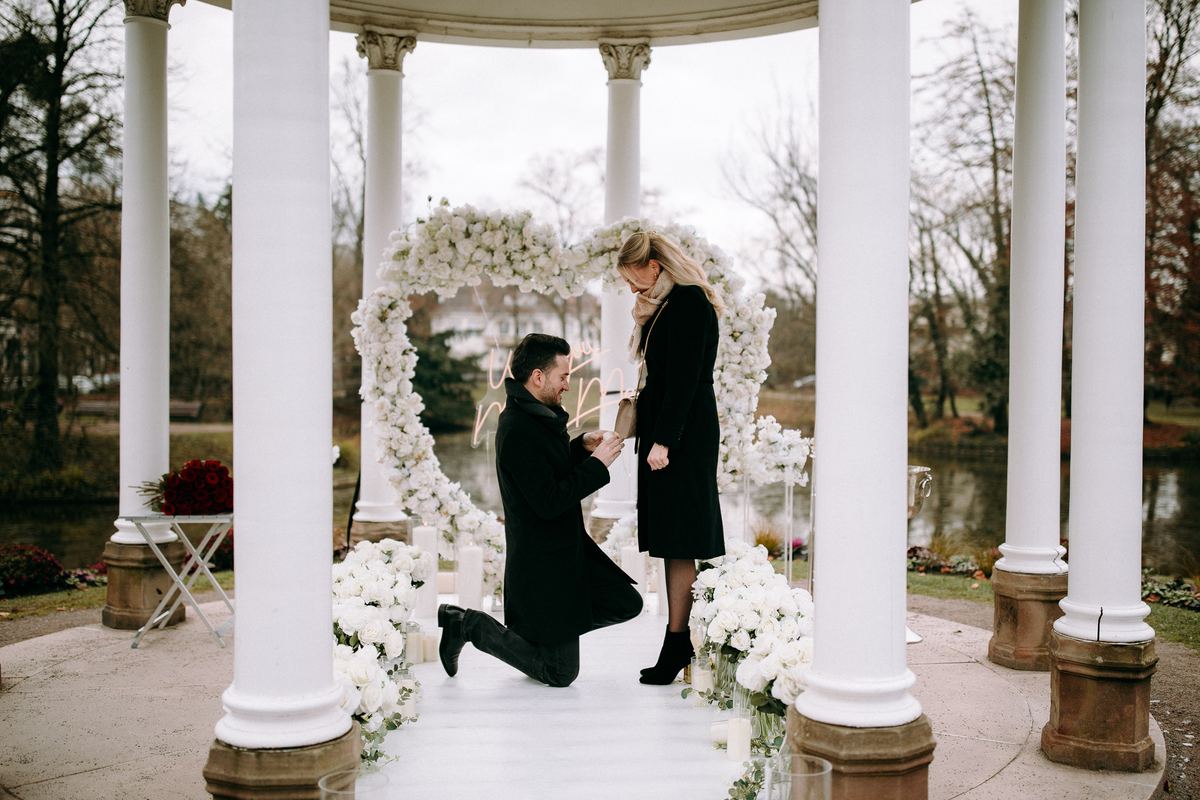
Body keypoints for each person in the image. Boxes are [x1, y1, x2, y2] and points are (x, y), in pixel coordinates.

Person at [437, 333, 643, 688]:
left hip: (567, 552)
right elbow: (547, 501)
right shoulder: (517, 428)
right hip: (544, 567)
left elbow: (549, 473)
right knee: (559, 673)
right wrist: (598, 465)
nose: (568, 383)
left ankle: (537, 639)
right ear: (537, 377)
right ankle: (467, 624)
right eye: (563, 376)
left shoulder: (537, 416)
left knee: (626, 602)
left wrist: (580, 447)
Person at [616, 230, 726, 685]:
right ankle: (680, 639)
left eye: (632, 279)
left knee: (681, 539)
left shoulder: (690, 305)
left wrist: (664, 441)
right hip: (671, 432)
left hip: (682, 437)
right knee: (671, 541)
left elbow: (683, 380)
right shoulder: (664, 307)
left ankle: (679, 640)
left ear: (654, 267)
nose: (631, 288)